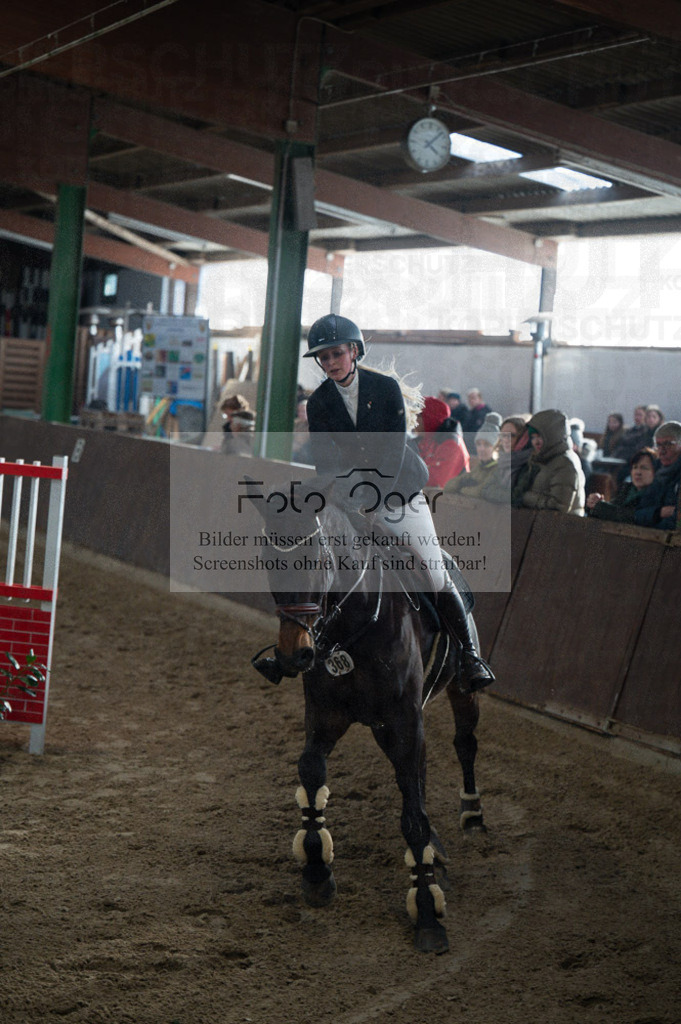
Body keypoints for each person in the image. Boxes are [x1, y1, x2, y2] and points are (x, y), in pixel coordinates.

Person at [303, 313, 493, 691]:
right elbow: (325, 462)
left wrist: (369, 502)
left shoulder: (385, 389)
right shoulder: (319, 402)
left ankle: (469, 654)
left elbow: (390, 455)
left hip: (398, 492)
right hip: (352, 496)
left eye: (337, 354)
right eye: (323, 357)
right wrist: (344, 498)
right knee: (321, 561)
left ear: (354, 351)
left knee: (432, 570)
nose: (331, 362)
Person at [512, 408, 585, 515]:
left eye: (540, 436)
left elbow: (559, 506)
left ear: (553, 436)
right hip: (541, 521)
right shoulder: (542, 457)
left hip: (562, 524)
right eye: (533, 437)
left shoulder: (565, 464)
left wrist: (524, 497)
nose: (535, 442)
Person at [631, 421, 681, 530]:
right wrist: (658, 513)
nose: (662, 451)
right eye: (658, 445)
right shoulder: (656, 471)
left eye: (668, 444)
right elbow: (636, 514)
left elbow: (675, 523)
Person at [586, 447, 657, 523]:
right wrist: (594, 504)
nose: (638, 472)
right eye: (635, 467)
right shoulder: (627, 490)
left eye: (644, 468)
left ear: (655, 472)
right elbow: (612, 508)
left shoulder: (655, 495)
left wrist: (600, 506)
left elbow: (628, 516)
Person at [412, 395, 469, 487]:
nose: (413, 421)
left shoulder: (451, 444)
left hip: (449, 495)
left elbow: (437, 481)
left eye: (418, 416)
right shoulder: (424, 440)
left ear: (430, 419)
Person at [444, 414, 501, 500]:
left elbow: (479, 491)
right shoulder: (478, 468)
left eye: (487, 445)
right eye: (478, 444)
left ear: (496, 448)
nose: (481, 449)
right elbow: (448, 486)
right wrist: (461, 482)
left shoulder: (498, 470)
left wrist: (461, 488)